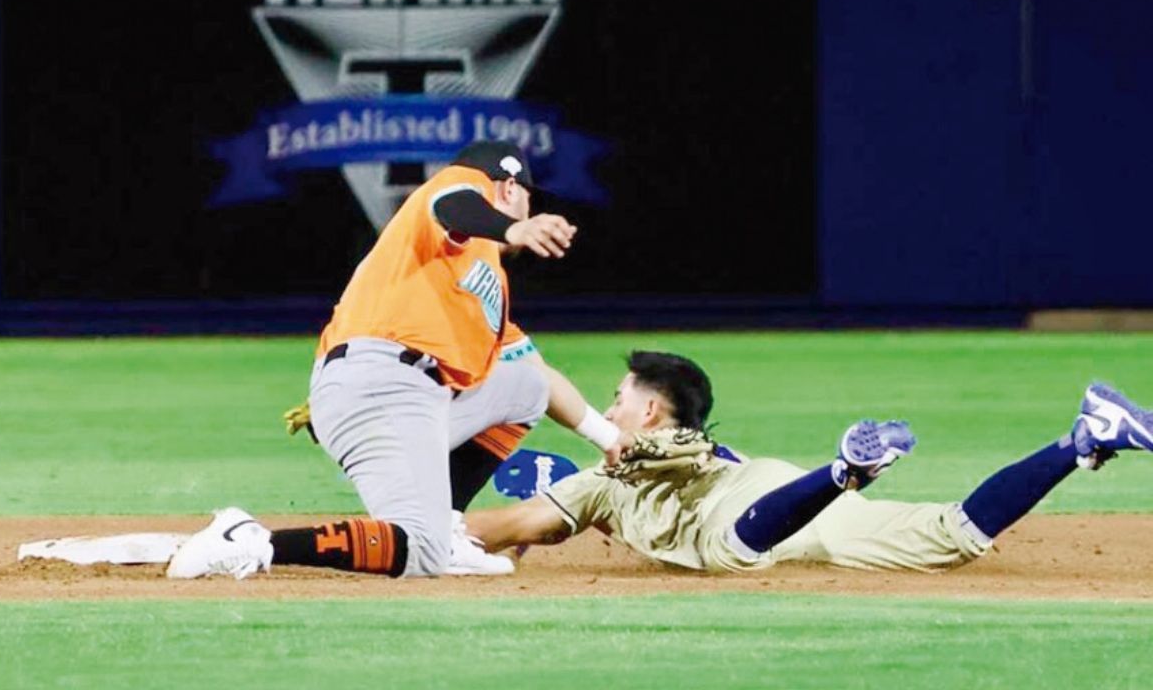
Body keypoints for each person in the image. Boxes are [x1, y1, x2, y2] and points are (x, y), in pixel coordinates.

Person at [167, 140, 582, 580]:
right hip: (385, 380)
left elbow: (535, 376)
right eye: (528, 198)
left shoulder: (473, 274)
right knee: (421, 552)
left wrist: (612, 441)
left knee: (525, 388)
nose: (528, 208)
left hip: (402, 389)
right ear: (510, 187)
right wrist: (514, 229)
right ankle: (252, 541)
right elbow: (452, 203)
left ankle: (447, 528)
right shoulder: (464, 188)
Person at [462, 351, 1153, 573]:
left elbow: (511, 525)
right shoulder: (616, 479)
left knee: (726, 552)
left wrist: (421, 533)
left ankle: (845, 471)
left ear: (649, 412)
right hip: (780, 491)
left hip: (744, 506)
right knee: (955, 538)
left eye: (618, 399)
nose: (607, 411)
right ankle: (1085, 439)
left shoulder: (611, 470)